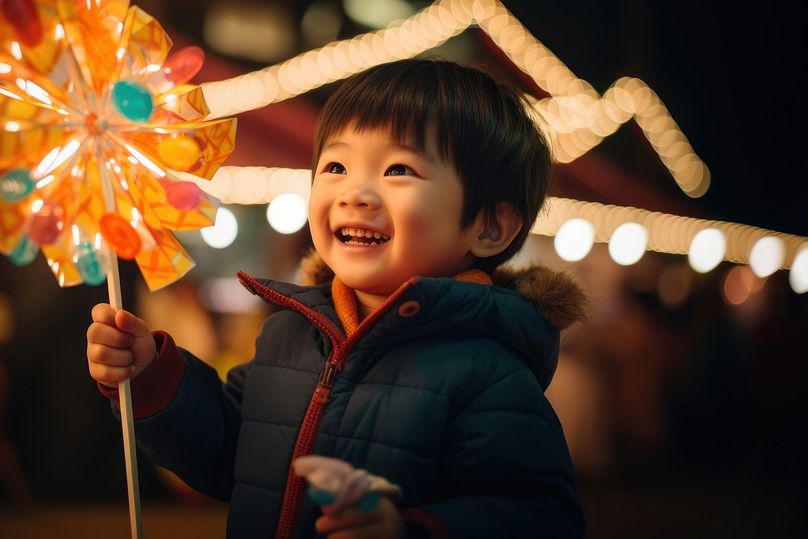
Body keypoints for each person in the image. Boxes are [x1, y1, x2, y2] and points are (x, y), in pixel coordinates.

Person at [86, 59, 587, 538]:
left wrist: (412, 531)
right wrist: (152, 376)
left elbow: (539, 515)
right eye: (336, 166)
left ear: (490, 226)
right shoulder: (290, 333)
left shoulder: (486, 368)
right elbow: (230, 456)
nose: (355, 193)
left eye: (398, 171)